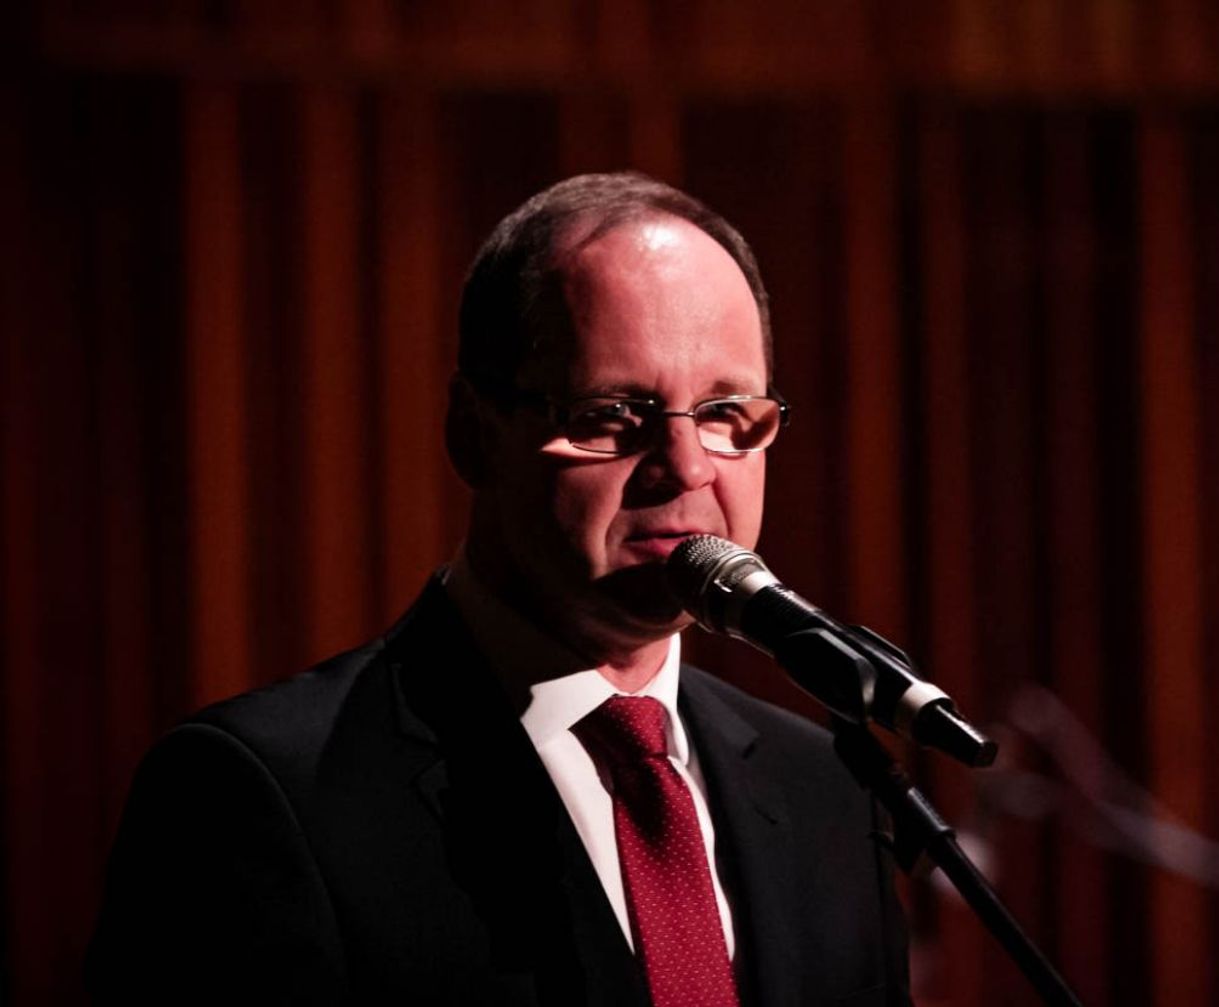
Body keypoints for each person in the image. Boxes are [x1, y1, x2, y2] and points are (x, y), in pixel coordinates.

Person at [86, 172, 911, 1006]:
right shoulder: (262, 792)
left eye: (725, 413)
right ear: (475, 433)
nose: (688, 466)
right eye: (613, 414)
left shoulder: (828, 792)